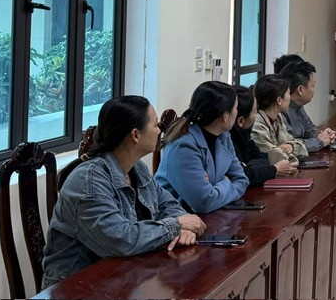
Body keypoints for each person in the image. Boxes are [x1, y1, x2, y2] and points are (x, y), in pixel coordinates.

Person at [42, 96, 205, 287]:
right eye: (155, 124)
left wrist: (184, 228)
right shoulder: (89, 180)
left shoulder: (137, 168)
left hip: (124, 277)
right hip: (75, 286)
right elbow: (121, 239)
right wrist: (176, 225)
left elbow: (166, 203)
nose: (160, 130)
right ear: (135, 135)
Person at [155, 81, 250, 213]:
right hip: (177, 218)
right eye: (236, 108)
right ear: (225, 116)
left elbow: (242, 180)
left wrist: (213, 187)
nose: (237, 112)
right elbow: (204, 202)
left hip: (211, 214)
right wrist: (226, 181)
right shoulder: (183, 146)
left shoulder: (224, 137)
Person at [230, 86, 297, 187]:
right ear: (241, 120)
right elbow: (242, 174)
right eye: (255, 111)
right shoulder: (226, 139)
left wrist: (251, 169)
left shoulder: (244, 134)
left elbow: (262, 157)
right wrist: (272, 170)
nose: (256, 115)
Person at [275, 54, 336, 152]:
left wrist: (323, 135)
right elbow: (289, 145)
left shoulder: (297, 105)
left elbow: (310, 129)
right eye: (312, 85)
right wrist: (319, 142)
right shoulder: (279, 109)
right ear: (300, 89)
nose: (314, 90)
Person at [251, 74, 308, 164]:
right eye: (288, 93)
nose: (290, 97)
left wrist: (291, 147)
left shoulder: (277, 118)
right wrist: (290, 154)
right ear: (279, 100)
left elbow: (302, 148)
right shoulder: (257, 124)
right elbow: (276, 158)